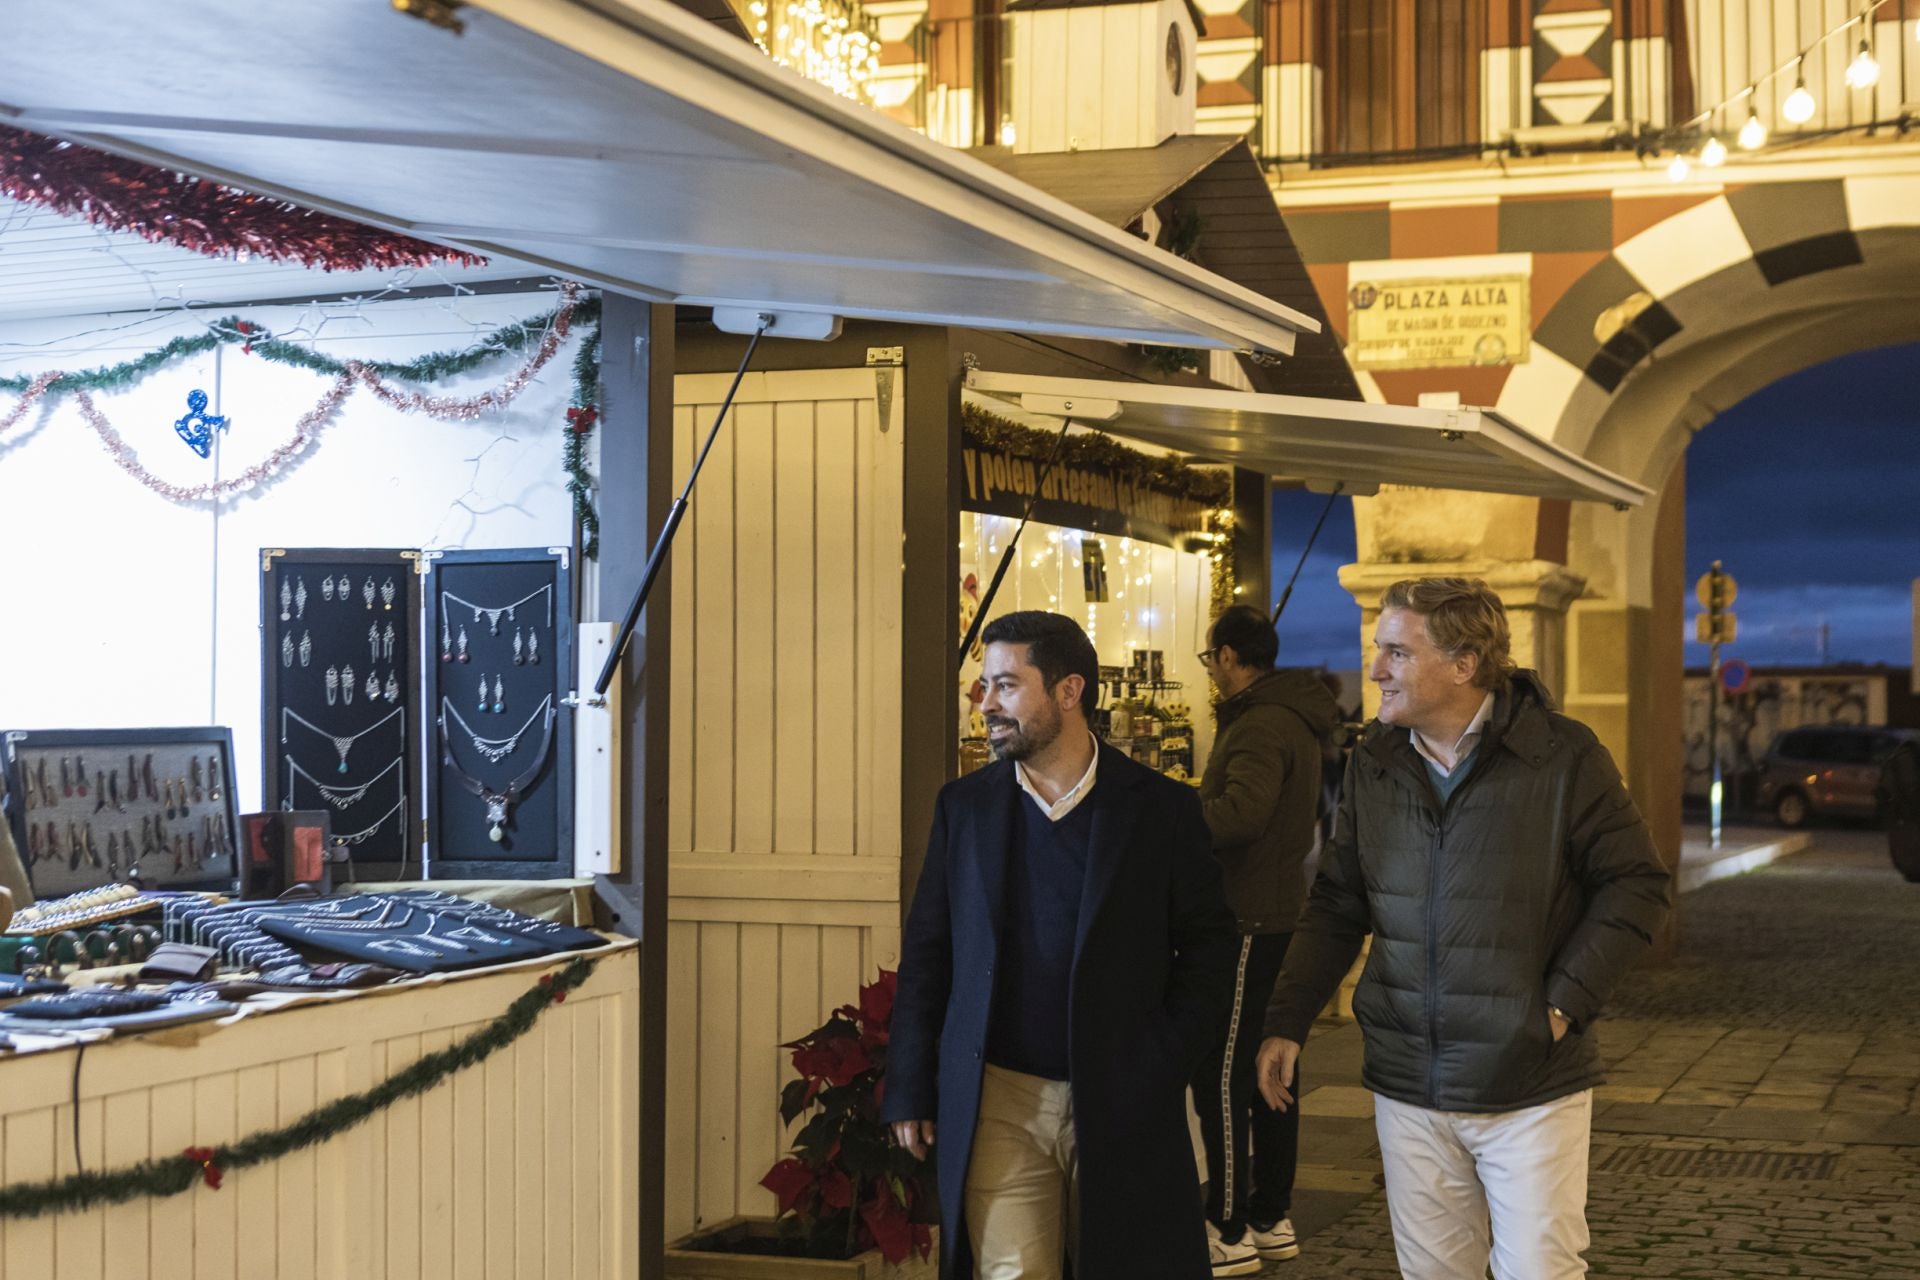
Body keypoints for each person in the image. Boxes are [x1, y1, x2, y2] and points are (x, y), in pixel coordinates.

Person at [1256, 577, 1671, 1280]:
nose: (1376, 669)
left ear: (1464, 663)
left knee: (1539, 1271)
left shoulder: (1564, 757)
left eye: (1396, 651)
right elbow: (1336, 902)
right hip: (1407, 1083)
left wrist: (1562, 1005)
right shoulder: (1374, 765)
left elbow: (1637, 884)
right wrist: (1287, 1018)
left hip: (1529, 1081)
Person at [885, 610, 1239, 1280]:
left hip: (1122, 1088)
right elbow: (928, 952)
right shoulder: (965, 808)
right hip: (1002, 1098)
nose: (986, 703)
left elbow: (1209, 947)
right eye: (984, 686)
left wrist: (1163, 1056)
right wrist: (908, 1081)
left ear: (1069, 691)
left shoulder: (1159, 809)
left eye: (1007, 686)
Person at [1191, 604, 1339, 1275]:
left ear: (1227, 657)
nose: (1212, 672)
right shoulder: (1294, 717)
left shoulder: (1258, 724)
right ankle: (1271, 1215)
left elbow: (1241, 815)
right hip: (1280, 914)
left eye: (1210, 660)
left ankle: (1226, 1226)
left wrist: (1176, 810)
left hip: (1247, 917)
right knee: (1272, 1066)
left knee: (1223, 1072)